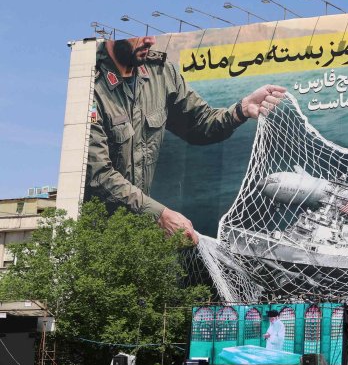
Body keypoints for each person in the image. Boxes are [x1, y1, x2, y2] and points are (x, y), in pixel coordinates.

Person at [87, 36, 287, 244]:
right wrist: (160, 215)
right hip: (97, 236)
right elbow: (98, 174)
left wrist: (241, 110)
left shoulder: (162, 73)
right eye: (140, 33)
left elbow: (200, 124)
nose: (151, 40)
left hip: (139, 231)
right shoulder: (89, 86)